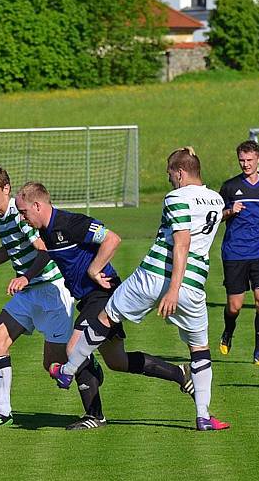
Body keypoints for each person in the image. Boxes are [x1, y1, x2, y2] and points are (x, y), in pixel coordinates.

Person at [47, 147, 230, 431]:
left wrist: (172, 288)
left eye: (171, 174)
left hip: (155, 277)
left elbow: (181, 242)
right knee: (199, 349)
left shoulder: (177, 197)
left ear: (180, 173)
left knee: (106, 318)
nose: (170, 180)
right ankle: (203, 416)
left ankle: (68, 371)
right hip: (194, 286)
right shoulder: (217, 200)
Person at [15, 181, 193, 430]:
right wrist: (26, 276)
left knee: (74, 348)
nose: (23, 219)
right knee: (117, 361)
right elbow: (46, 254)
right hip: (88, 299)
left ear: (37, 205)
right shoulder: (46, 231)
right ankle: (180, 374)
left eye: (23, 212)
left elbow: (112, 238)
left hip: (103, 294)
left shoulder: (71, 223)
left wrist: (93, 269)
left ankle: (94, 414)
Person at [0, 164, 91, 428]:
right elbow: (10, 248)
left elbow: (45, 249)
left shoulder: (20, 213)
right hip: (29, 292)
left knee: (55, 363)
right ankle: (2, 412)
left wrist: (25, 276)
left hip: (51, 289)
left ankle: (91, 384)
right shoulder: (1, 215)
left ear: (6, 188)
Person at [218, 140, 259, 365]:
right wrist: (230, 210)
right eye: (242, 160)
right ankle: (228, 331)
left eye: (249, 160)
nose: (245, 164)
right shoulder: (229, 187)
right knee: (234, 306)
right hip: (235, 252)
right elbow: (217, 215)